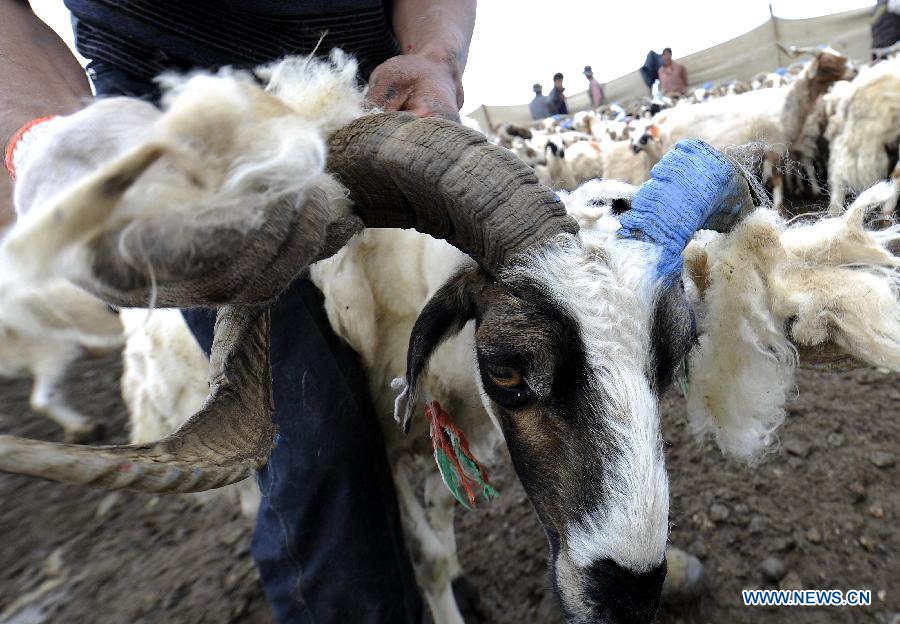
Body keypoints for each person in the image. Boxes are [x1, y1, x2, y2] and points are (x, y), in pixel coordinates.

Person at [1, 1, 476, 622]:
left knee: (444, 378)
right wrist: (42, 139)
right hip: (185, 165)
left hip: (373, 116)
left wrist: (435, 56)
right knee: (314, 434)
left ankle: (435, 575)